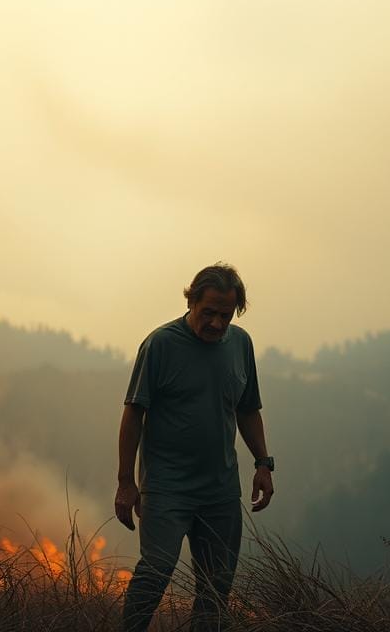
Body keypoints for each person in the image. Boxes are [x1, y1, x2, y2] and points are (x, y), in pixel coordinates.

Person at [116, 263, 274, 632]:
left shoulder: (240, 344)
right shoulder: (160, 345)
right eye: (209, 313)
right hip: (168, 487)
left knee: (216, 588)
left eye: (226, 315)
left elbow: (248, 408)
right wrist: (126, 482)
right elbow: (133, 413)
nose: (217, 323)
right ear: (191, 301)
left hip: (220, 489)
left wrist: (263, 463)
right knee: (155, 571)